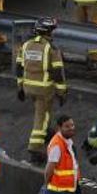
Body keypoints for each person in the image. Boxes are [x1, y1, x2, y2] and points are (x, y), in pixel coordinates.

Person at [16, 17, 67, 165]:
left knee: (40, 113)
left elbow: (19, 68)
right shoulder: (51, 48)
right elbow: (58, 72)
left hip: (28, 88)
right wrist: (62, 92)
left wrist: (20, 87)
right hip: (44, 90)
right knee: (42, 118)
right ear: (49, 32)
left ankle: (48, 133)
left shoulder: (25, 45)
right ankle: (35, 149)